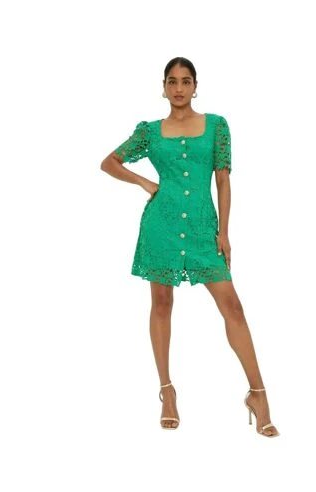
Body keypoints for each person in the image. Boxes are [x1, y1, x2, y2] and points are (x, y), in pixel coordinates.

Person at [100, 57, 280, 437]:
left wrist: (224, 233)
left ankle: (258, 394)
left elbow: (223, 181)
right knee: (162, 305)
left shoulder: (216, 126)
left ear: (196, 86)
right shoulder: (150, 132)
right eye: (172, 81)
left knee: (232, 307)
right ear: (163, 87)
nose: (179, 88)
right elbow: (109, 162)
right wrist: (145, 183)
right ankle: (167, 391)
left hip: (203, 230)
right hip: (161, 227)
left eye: (185, 81)